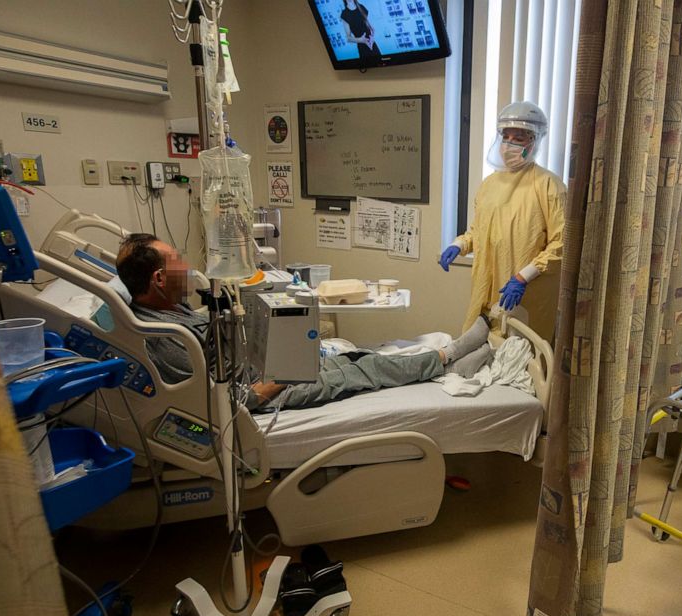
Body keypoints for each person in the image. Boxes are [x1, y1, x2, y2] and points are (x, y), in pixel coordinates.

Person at [116, 234, 492, 411]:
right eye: (177, 259)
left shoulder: (171, 310)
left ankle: (452, 365)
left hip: (263, 367)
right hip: (271, 390)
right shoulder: (161, 338)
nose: (188, 265)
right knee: (368, 367)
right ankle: (448, 357)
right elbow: (239, 401)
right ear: (159, 280)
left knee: (356, 355)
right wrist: (291, 370)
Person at [439, 101, 565, 339]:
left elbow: (561, 244)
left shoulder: (549, 185)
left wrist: (523, 276)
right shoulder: (489, 184)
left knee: (521, 360)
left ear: (534, 140)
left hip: (526, 293)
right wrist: (460, 244)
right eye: (505, 136)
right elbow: (481, 230)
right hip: (487, 289)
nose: (508, 145)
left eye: (517, 138)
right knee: (478, 353)